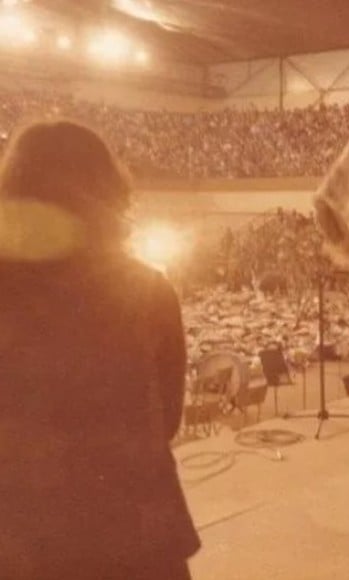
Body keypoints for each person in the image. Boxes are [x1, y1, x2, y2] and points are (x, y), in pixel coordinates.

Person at [0, 120, 199, 579]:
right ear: (109, 190)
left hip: (21, 539)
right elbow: (166, 418)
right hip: (135, 532)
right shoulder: (147, 289)